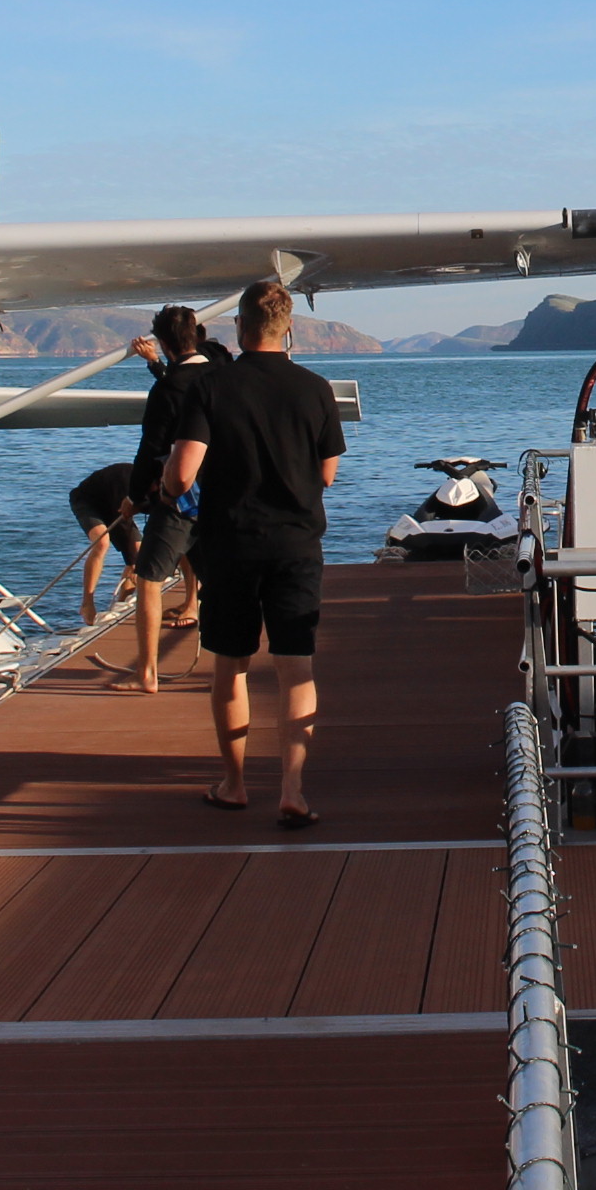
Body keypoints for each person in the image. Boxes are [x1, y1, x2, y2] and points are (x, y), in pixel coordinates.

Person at [180, 279, 346, 828]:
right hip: (297, 544)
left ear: (240, 328)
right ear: (289, 327)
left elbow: (182, 474)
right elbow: (327, 473)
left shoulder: (210, 387)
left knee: (232, 665)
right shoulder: (316, 389)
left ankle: (233, 784)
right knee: (296, 668)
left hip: (230, 546)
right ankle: (293, 788)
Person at [113, 305, 220, 694]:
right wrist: (157, 364)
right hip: (222, 495)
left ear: (163, 343)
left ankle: (147, 673)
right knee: (218, 578)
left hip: (179, 498)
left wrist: (135, 498)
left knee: (148, 579)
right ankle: (226, 665)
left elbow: (151, 448)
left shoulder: (168, 388)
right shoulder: (222, 373)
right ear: (197, 335)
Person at [68, 462, 142, 624]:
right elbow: (123, 523)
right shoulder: (128, 483)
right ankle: (87, 603)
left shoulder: (162, 489)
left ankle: (120, 605)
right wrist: (133, 560)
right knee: (102, 542)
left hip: (116, 507)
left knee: (138, 555)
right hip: (88, 501)